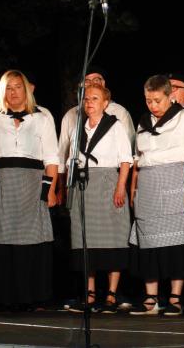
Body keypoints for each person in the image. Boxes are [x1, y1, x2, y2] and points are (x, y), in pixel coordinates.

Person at [0, 70, 60, 310]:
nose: (13, 92)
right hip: (1, 181)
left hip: (32, 181)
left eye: (17, 86)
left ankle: (33, 297)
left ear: (26, 89)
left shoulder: (42, 118)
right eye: (8, 87)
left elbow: (51, 158)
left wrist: (51, 189)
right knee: (0, 237)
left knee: (32, 236)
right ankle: (0, 298)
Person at [128, 75, 184, 316]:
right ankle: (151, 298)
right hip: (147, 184)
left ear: (170, 96)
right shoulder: (143, 121)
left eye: (157, 100)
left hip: (174, 180)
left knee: (174, 243)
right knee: (147, 242)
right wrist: (133, 189)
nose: (153, 106)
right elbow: (138, 159)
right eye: (148, 101)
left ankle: (175, 298)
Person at [66, 85, 133, 314]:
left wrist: (120, 187)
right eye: (86, 99)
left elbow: (125, 160)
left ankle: (112, 293)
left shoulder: (115, 126)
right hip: (83, 185)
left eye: (95, 99)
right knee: (86, 240)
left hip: (107, 183)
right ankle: (90, 292)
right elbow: (70, 161)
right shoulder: (78, 129)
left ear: (105, 103)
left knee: (112, 238)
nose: (89, 103)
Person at [57, 66, 135, 200]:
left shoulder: (119, 115)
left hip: (110, 180)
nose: (92, 83)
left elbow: (127, 155)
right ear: (80, 86)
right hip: (80, 180)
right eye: (87, 80)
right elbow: (64, 155)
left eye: (97, 79)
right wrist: (62, 187)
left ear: (103, 83)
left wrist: (123, 186)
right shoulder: (71, 117)